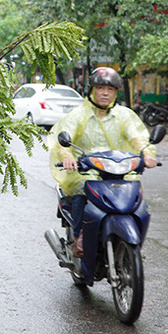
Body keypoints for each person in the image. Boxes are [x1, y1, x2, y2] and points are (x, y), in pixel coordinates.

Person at [46, 67, 157, 258]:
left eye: (110, 89)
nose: (105, 93)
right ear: (92, 90)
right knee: (82, 189)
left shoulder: (125, 115)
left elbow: (137, 135)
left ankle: (131, 240)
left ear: (115, 92)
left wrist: (146, 153)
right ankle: (78, 238)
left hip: (118, 170)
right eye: (100, 88)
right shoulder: (78, 116)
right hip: (84, 171)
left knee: (135, 197)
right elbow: (62, 138)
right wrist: (66, 155)